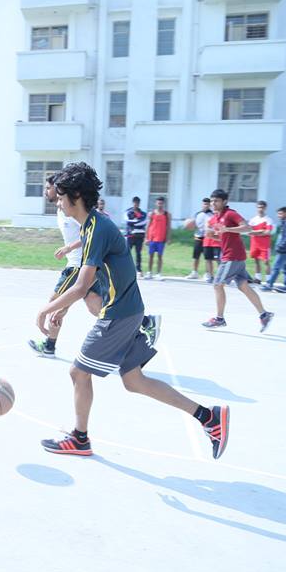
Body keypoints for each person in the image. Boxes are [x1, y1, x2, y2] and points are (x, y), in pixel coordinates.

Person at [35, 162, 229, 461]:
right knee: (134, 381)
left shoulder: (97, 227)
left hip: (119, 314)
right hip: (128, 310)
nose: (57, 201)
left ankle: (79, 439)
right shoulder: (91, 225)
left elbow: (82, 283)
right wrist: (63, 306)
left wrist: (45, 309)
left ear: (74, 195)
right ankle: (208, 417)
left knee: (78, 372)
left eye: (60, 196)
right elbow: (86, 281)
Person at [28, 176, 149, 358]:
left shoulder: (79, 213)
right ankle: (141, 326)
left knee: (53, 304)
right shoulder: (64, 210)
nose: (46, 192)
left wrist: (70, 247)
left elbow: (91, 233)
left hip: (79, 265)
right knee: (95, 308)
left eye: (49, 189)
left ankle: (49, 345)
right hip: (89, 266)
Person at [202, 189, 273, 332]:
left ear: (224, 202)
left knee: (217, 284)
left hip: (232, 257)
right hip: (233, 256)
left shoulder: (230, 214)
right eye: (212, 201)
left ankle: (219, 318)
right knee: (244, 286)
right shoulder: (215, 218)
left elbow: (247, 227)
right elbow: (222, 236)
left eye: (216, 201)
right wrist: (212, 235)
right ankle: (264, 314)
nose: (213, 203)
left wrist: (227, 229)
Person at [263, 207, 286, 293]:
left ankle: (269, 284)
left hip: (285, 251)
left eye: (280, 213)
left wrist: (280, 247)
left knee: (276, 267)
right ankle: (285, 286)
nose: (278, 215)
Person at [186, 198, 213, 280]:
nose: (206, 205)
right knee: (196, 256)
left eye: (207, 204)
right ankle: (194, 273)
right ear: (202, 204)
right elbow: (193, 225)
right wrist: (189, 225)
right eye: (204, 204)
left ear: (210, 205)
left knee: (208, 257)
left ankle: (208, 274)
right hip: (198, 237)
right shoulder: (197, 214)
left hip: (208, 238)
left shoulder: (213, 214)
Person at [248, 200, 274, 284]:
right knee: (256, 261)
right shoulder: (253, 220)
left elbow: (268, 232)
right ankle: (257, 278)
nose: (260, 209)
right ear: (256, 208)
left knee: (266, 262)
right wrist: (261, 231)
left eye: (262, 207)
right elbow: (249, 232)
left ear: (265, 208)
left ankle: (269, 279)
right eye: (259, 207)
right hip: (255, 244)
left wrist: (255, 233)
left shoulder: (268, 220)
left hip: (265, 245)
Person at [145, 197, 170, 280]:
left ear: (163, 204)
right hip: (152, 238)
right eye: (158, 203)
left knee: (160, 256)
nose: (160, 204)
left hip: (161, 239)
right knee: (150, 256)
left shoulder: (167, 214)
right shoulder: (152, 213)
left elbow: (168, 227)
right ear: (156, 203)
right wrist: (146, 238)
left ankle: (158, 273)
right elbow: (148, 226)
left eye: (161, 203)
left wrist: (168, 238)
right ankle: (149, 272)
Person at [125, 196, 147, 277]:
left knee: (138, 253)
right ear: (133, 203)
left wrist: (134, 222)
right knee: (127, 253)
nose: (136, 204)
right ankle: (126, 269)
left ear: (139, 204)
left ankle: (139, 270)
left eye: (137, 203)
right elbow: (127, 221)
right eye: (135, 203)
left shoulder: (143, 213)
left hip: (139, 237)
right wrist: (136, 222)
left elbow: (143, 222)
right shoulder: (128, 212)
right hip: (130, 236)